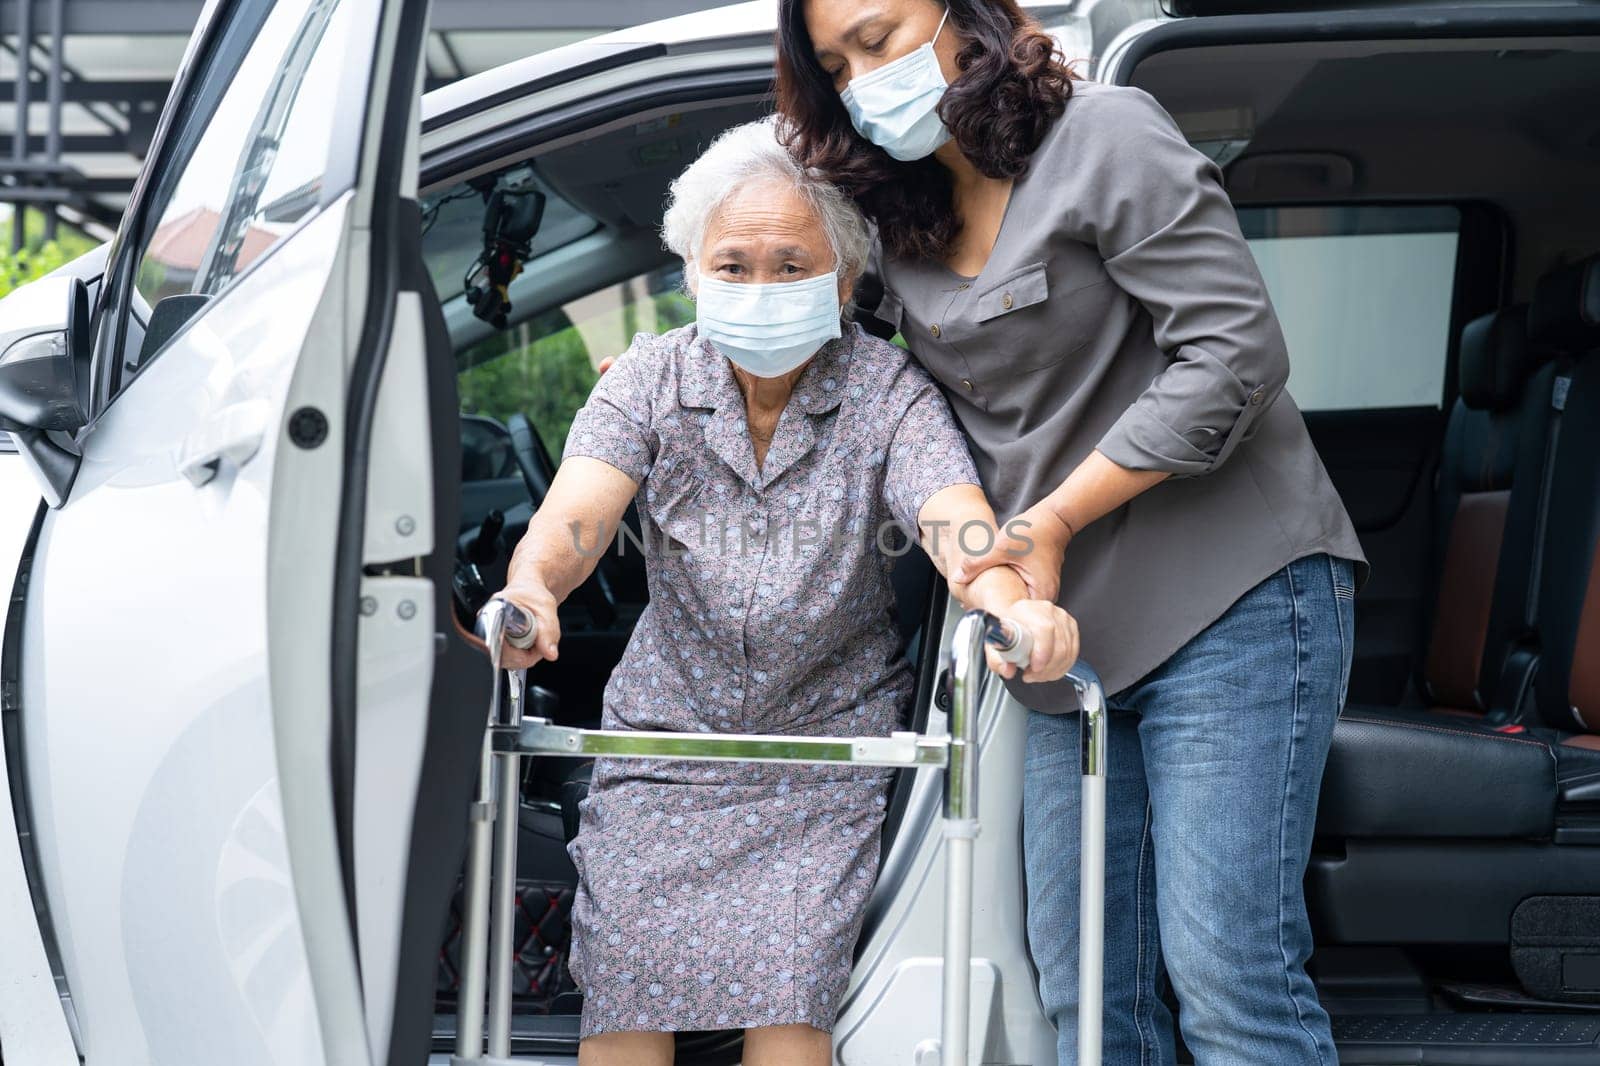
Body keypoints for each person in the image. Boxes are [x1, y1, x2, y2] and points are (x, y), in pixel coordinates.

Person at [774, 3, 1368, 1064]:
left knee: (1230, 983)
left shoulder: (1106, 135)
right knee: (1087, 999)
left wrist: (1046, 519)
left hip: (1232, 596)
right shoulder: (888, 219)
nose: (864, 80)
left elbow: (1232, 355)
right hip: (1060, 637)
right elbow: (862, 404)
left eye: (878, 37)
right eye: (835, 67)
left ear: (966, 15)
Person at [490, 117, 1078, 1066]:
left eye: (791, 266)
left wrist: (1012, 600)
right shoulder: (647, 381)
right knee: (626, 1000)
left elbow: (955, 520)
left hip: (821, 754)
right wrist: (534, 593)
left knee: (789, 1003)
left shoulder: (887, 391)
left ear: (845, 283)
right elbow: (573, 525)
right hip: (666, 749)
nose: (761, 289)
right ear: (691, 275)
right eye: (733, 266)